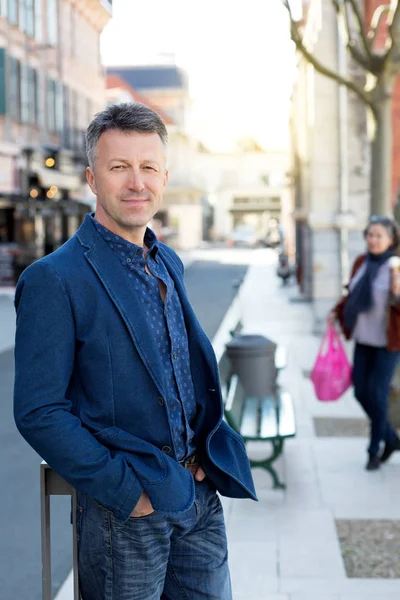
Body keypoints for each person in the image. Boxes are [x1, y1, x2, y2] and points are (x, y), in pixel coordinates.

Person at [13, 103, 257, 600]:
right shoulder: (53, 279)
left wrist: (208, 455)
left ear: (164, 177)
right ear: (91, 177)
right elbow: (39, 411)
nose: (136, 182)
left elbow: (185, 370)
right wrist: (127, 492)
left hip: (199, 495)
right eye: (119, 166)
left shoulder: (168, 260)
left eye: (148, 167)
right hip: (127, 514)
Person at [329, 216, 400, 471]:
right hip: (363, 338)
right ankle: (391, 438)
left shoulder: (396, 267)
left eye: (379, 235)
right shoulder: (361, 261)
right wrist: (336, 310)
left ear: (391, 240)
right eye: (370, 234)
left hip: (388, 343)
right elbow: (352, 293)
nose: (373, 239)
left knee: (378, 394)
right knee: (360, 391)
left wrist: (397, 290)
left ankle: (373, 451)